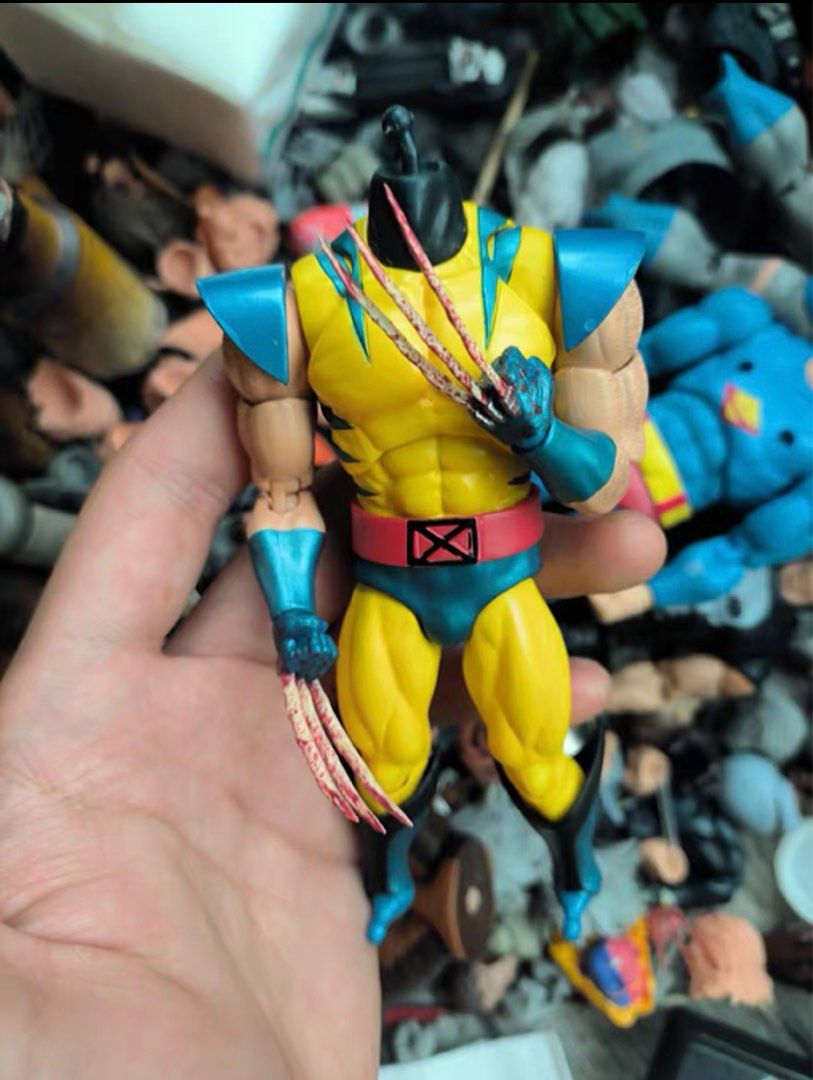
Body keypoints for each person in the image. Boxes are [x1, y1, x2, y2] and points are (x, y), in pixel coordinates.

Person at [0, 356, 664, 1077]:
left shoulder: (537, 297)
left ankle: (574, 871)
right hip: (388, 586)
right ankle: (391, 884)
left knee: (534, 758)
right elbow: (283, 492)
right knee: (385, 765)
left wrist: (540, 435)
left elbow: (600, 482)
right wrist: (290, 610)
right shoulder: (315, 312)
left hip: (504, 580)